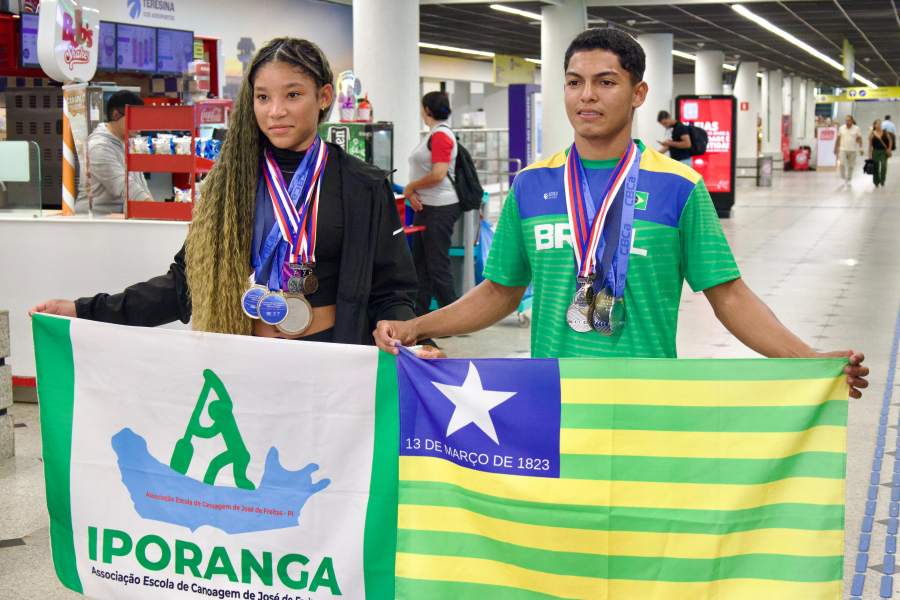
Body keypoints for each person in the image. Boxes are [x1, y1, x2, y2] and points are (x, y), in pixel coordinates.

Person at [374, 27, 868, 398]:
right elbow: (500, 291)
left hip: (647, 404)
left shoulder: (679, 187)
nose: (586, 95)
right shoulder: (532, 185)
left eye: (605, 81)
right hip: (556, 400)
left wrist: (809, 359)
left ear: (638, 93)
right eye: (574, 82)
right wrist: (417, 326)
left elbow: (730, 296)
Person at [33, 37, 435, 352]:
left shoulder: (362, 185)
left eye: (293, 95)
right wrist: (85, 310)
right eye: (263, 97)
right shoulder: (230, 184)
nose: (275, 111)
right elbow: (184, 286)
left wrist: (409, 332)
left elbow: (393, 290)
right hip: (245, 360)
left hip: (332, 362)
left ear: (324, 97)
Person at [404, 91, 461, 315]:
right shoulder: (434, 134)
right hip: (427, 208)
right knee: (421, 266)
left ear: (427, 109)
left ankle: (454, 318)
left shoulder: (440, 136)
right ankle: (419, 314)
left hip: (439, 208)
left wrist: (411, 187)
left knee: (437, 266)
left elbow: (438, 174)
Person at [75, 91, 153, 215]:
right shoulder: (98, 147)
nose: (140, 125)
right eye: (136, 119)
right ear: (116, 115)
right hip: (95, 220)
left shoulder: (128, 141)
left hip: (119, 219)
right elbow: (125, 186)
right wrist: (156, 210)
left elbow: (140, 184)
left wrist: (154, 207)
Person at [835, 115, 862, 186]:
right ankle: (843, 176)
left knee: (851, 165)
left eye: (849, 120)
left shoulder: (856, 128)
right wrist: (835, 148)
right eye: (846, 120)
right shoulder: (841, 128)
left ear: (852, 121)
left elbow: (859, 138)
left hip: (853, 150)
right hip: (843, 149)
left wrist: (861, 147)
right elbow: (838, 138)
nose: (847, 122)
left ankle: (849, 178)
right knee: (842, 163)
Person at [869, 119, 893, 188]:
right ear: (874, 125)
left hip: (884, 152)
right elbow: (870, 144)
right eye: (877, 124)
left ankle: (882, 180)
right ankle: (876, 181)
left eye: (880, 124)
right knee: (876, 167)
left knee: (884, 166)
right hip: (875, 151)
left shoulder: (885, 132)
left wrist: (889, 149)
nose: (879, 125)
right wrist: (869, 154)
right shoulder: (872, 133)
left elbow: (890, 140)